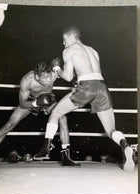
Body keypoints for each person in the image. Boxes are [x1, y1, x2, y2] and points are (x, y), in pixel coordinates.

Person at [34, 26, 135, 171]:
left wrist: (57, 69)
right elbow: (87, 74)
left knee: (56, 112)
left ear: (71, 37)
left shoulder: (68, 50)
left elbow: (68, 77)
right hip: (102, 87)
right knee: (110, 130)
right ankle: (124, 144)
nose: (63, 43)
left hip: (87, 87)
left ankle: (45, 149)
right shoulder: (93, 50)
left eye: (64, 40)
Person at [0, 61, 80, 166]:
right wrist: (36, 103)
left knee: (62, 118)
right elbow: (22, 103)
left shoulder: (54, 73)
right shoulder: (27, 80)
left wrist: (75, 80)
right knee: (10, 124)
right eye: (45, 78)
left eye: (50, 77)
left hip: (48, 99)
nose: (49, 80)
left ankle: (66, 157)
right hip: (30, 101)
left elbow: (70, 74)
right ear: (37, 77)